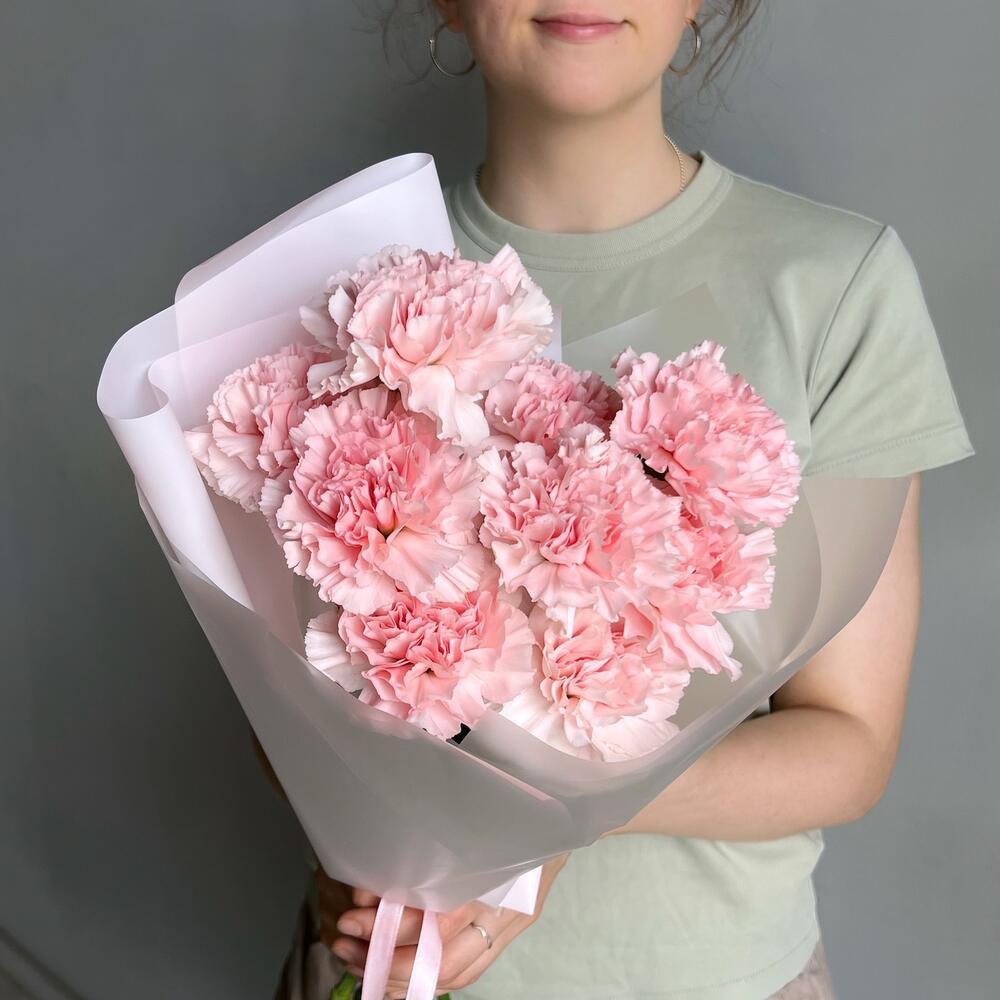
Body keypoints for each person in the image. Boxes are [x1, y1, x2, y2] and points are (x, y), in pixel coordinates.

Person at [268, 1, 976, 997]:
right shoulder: (339, 291)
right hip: (380, 969)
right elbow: (283, 698)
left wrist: (551, 820)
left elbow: (847, 745)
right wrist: (363, 846)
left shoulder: (836, 288)